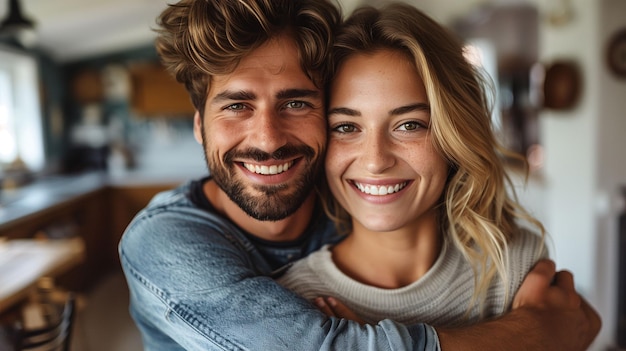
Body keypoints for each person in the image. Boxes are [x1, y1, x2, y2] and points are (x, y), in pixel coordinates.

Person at [118, 0, 601, 350]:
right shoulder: (166, 244)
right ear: (199, 126)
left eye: (295, 102)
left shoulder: (507, 259)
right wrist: (541, 332)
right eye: (237, 106)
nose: (267, 138)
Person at [278, 2, 550, 327]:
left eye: (409, 125)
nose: (376, 161)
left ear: (454, 134)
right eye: (346, 127)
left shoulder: (515, 267)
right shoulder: (292, 300)